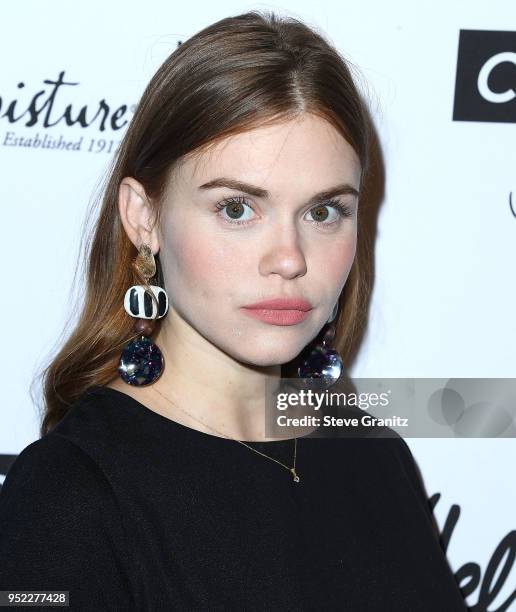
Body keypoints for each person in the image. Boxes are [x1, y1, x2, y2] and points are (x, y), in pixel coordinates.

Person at [0, 10, 468, 611]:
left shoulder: (374, 454)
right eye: (238, 210)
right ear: (145, 217)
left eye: (324, 212)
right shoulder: (72, 494)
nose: (290, 259)